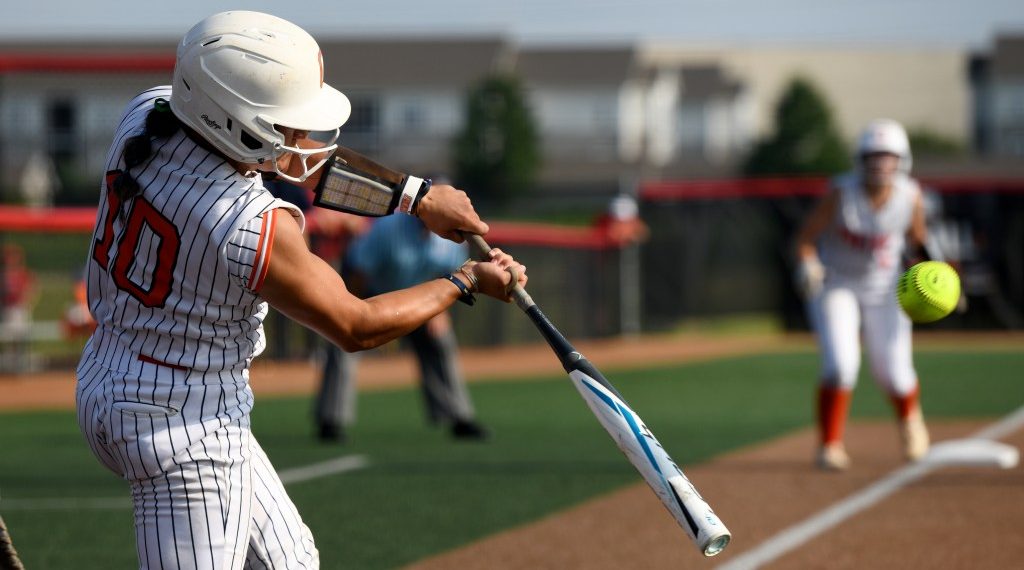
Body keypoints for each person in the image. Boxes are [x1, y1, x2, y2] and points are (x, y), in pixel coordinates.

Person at [74, 11, 527, 569]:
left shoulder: (148, 114)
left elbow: (294, 160)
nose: (299, 138)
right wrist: (465, 280)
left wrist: (418, 197)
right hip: (184, 422)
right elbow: (357, 325)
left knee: (290, 562)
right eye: (284, 124)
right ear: (238, 126)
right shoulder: (248, 223)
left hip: (112, 372)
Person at [795, 118, 931, 471]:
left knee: (895, 373)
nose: (881, 164)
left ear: (901, 160)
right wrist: (808, 264)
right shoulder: (841, 192)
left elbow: (918, 244)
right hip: (838, 284)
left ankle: (911, 423)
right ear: (861, 159)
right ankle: (829, 445)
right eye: (874, 156)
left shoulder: (910, 195)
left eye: (888, 156)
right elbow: (806, 238)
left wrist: (934, 279)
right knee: (841, 366)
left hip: (887, 287)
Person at [315, 212, 488, 443]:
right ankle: (331, 420)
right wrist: (351, 310)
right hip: (372, 294)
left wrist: (439, 311)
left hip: (419, 298)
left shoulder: (453, 240)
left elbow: (449, 276)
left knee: (441, 341)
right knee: (342, 342)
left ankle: (459, 417)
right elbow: (359, 272)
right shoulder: (387, 229)